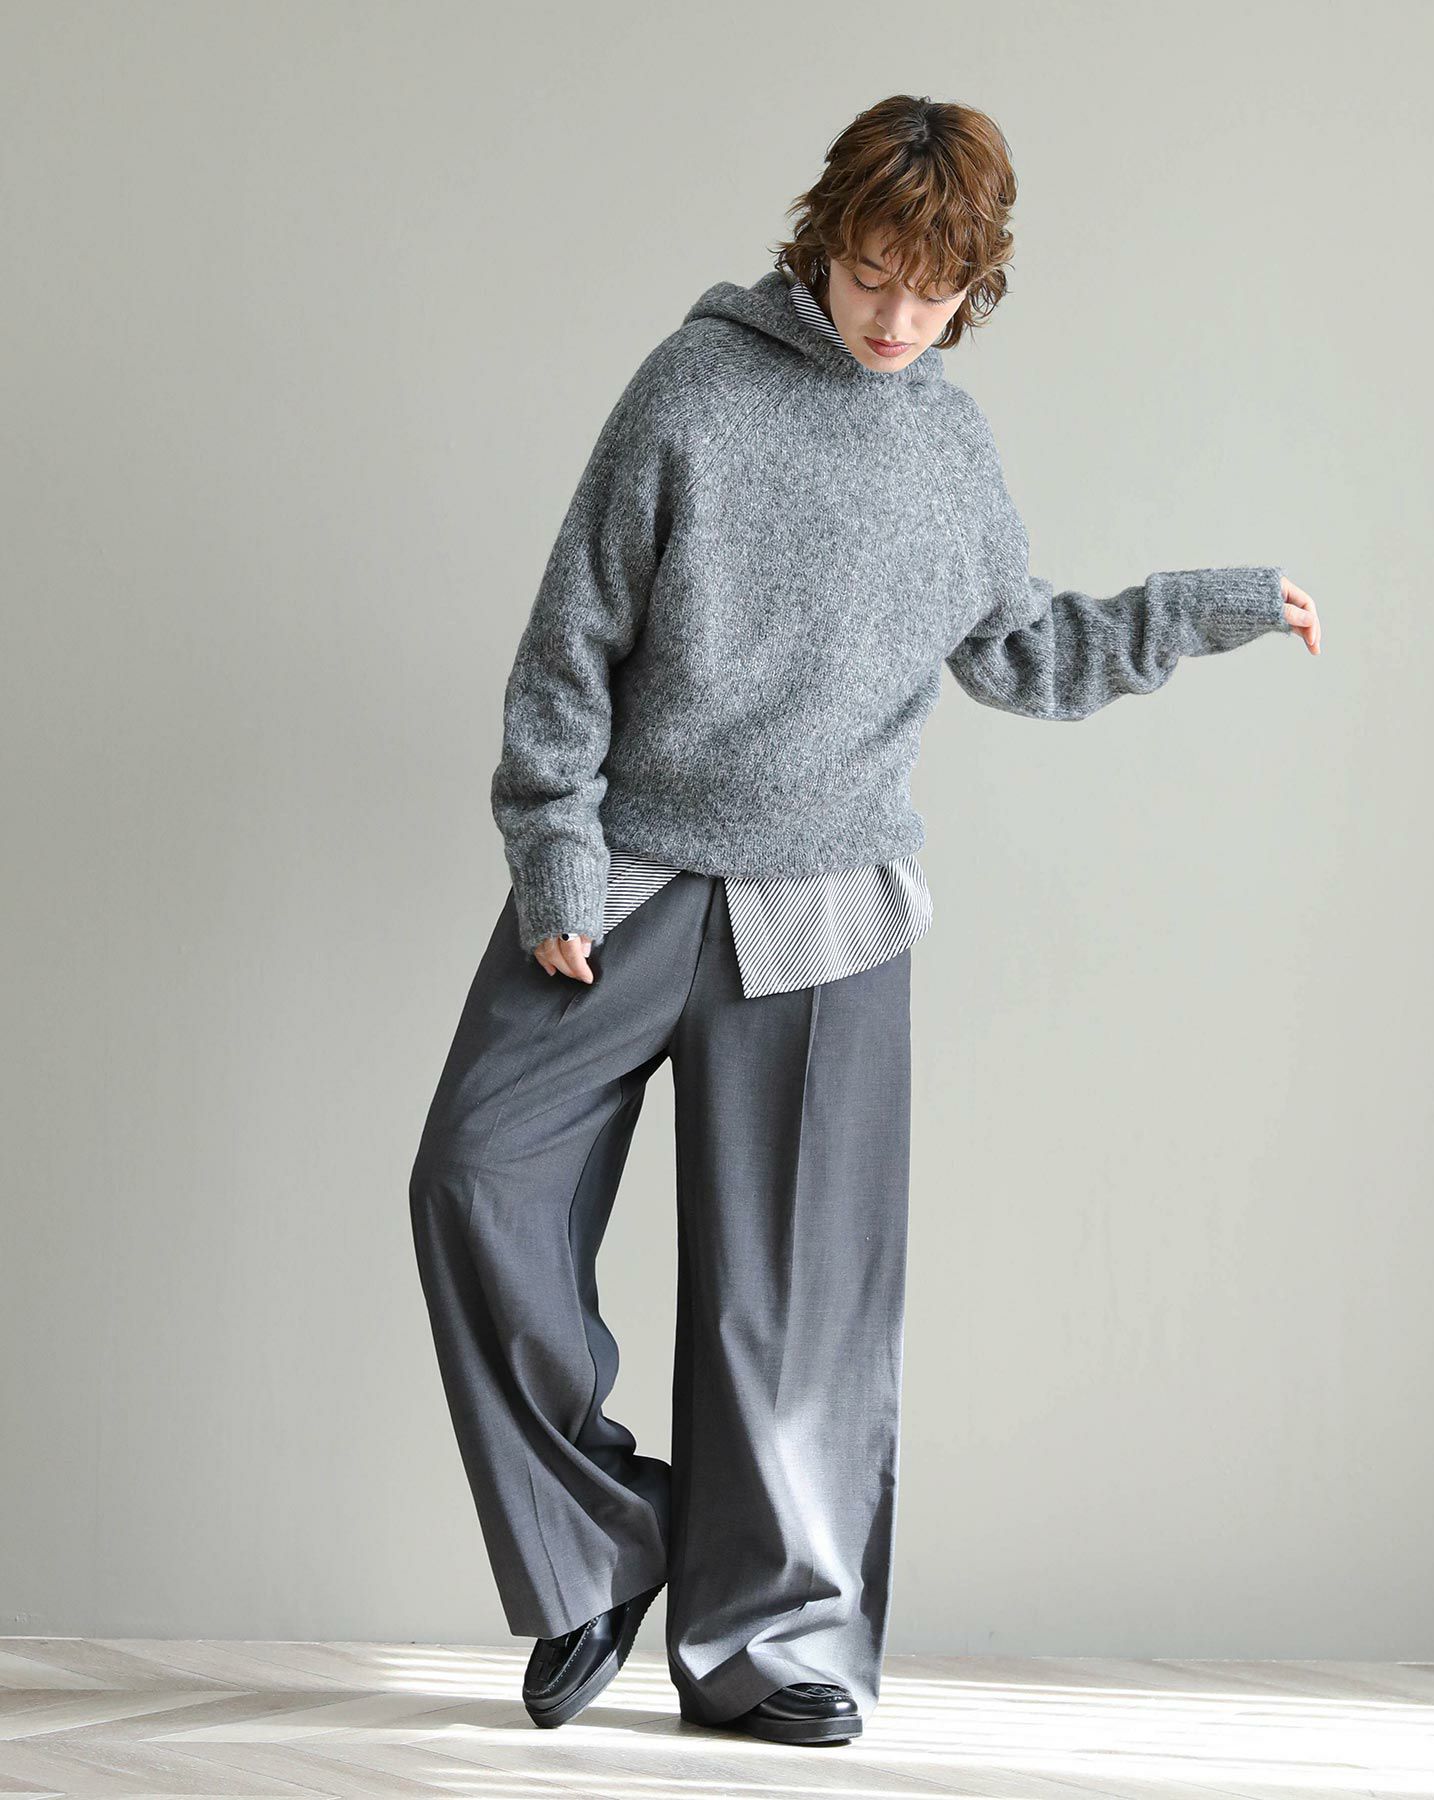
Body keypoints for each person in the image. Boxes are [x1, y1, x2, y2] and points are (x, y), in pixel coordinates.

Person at [408, 92, 1322, 1750]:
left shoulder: (948, 452)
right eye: (874, 274)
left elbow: (1028, 653)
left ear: (977, 286)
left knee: (793, 1306)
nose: (898, 316)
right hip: (632, 876)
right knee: (477, 1176)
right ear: (823, 241)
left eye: (936, 289)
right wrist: (553, 852)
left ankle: (764, 1649)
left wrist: (1214, 609)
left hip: (828, 906)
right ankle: (605, 1542)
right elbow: (571, 639)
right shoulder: (694, 388)